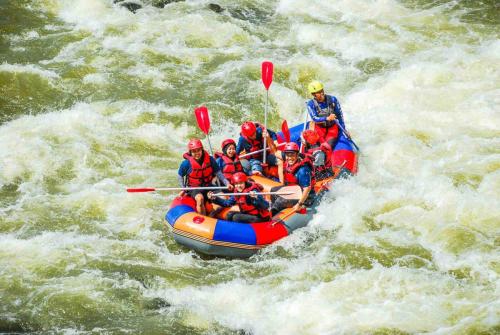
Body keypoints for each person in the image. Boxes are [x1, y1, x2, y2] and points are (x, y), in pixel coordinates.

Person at [178, 139, 232, 215]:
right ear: (190, 152)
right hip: (195, 188)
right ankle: (203, 217)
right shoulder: (186, 163)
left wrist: (227, 183)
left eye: (198, 150)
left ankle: (213, 214)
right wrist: (182, 188)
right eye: (194, 151)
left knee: (224, 198)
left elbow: (219, 173)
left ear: (202, 150)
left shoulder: (210, 159)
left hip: (209, 186)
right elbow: (180, 175)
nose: (197, 153)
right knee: (200, 199)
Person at [271, 142, 314, 215]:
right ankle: (277, 210)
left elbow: (307, 189)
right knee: (273, 191)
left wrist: (299, 204)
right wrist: (268, 138)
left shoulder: (303, 170)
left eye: (292, 155)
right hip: (293, 190)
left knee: (280, 201)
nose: (290, 158)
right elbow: (274, 151)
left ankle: (272, 216)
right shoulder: (288, 159)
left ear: (297, 155)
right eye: (287, 155)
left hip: (305, 196)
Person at [306, 81, 348, 149]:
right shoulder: (310, 104)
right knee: (313, 146)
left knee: (328, 147)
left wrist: (343, 129)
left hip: (332, 128)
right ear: (313, 94)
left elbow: (339, 115)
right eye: (319, 92)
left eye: (322, 90)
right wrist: (327, 118)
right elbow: (314, 118)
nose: (322, 93)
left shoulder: (333, 99)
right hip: (319, 128)